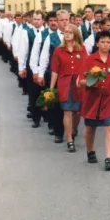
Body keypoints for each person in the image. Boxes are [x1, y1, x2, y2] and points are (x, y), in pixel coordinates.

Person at [78, 31, 110, 171]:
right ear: (97, 44)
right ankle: (90, 151)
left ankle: (108, 158)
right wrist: (92, 80)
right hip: (92, 98)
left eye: (108, 42)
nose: (105, 44)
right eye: (102, 41)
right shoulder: (89, 60)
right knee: (90, 128)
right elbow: (81, 81)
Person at [50, 24, 87, 152]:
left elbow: (86, 66)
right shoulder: (58, 50)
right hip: (64, 84)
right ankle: (69, 139)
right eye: (65, 32)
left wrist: (81, 77)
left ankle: (74, 128)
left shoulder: (82, 49)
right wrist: (51, 88)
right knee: (67, 111)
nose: (67, 34)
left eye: (70, 32)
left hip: (78, 84)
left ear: (75, 34)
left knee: (77, 112)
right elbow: (55, 70)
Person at [38, 10, 70, 143]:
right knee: (57, 106)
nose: (64, 22)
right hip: (55, 76)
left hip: (70, 77)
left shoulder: (74, 36)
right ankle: (58, 132)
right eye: (61, 20)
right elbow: (44, 57)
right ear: (57, 22)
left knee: (69, 106)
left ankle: (70, 131)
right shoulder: (50, 38)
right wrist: (40, 74)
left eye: (66, 20)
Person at [30, 11, 58, 131]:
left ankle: (52, 122)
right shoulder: (42, 35)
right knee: (38, 95)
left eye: (55, 20)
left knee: (52, 98)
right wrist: (36, 71)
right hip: (44, 70)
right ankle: (36, 118)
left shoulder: (63, 34)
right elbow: (35, 54)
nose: (53, 23)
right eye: (51, 21)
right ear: (46, 22)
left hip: (56, 72)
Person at [17, 10, 46, 128]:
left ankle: (46, 114)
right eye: (34, 19)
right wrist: (21, 67)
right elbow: (23, 51)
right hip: (31, 65)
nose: (36, 21)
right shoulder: (26, 32)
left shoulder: (47, 33)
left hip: (44, 66)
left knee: (44, 91)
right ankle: (36, 117)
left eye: (38, 19)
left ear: (43, 21)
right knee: (33, 92)